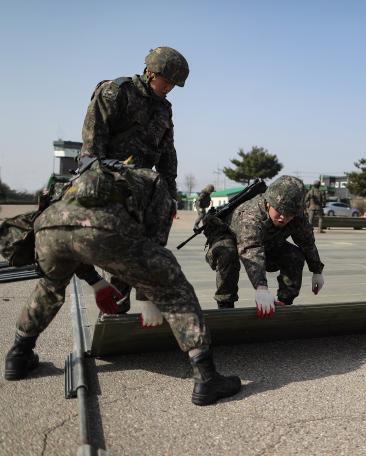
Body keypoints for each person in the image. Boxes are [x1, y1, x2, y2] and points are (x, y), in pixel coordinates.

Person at [3, 161, 240, 405]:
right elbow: (153, 246)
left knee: (49, 289)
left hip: (48, 227)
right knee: (173, 284)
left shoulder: (89, 176)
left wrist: (96, 283)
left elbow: (73, 239)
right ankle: (206, 377)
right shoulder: (156, 184)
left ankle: (18, 355)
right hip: (101, 227)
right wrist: (148, 297)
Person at [78, 46, 190, 310]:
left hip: (143, 183)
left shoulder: (164, 109)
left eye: (175, 84)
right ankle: (104, 282)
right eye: (168, 80)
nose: (170, 87)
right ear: (151, 72)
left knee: (153, 225)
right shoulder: (116, 92)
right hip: (107, 174)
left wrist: (169, 195)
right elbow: (92, 145)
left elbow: (167, 153)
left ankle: (123, 288)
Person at [204, 175, 325, 315]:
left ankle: (284, 303)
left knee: (294, 256)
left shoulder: (297, 216)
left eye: (289, 214)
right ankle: (225, 305)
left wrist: (317, 270)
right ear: (269, 203)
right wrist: (261, 288)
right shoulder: (251, 215)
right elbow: (252, 249)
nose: (283, 218)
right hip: (229, 236)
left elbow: (307, 242)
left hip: (266, 241)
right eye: (279, 211)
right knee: (228, 253)